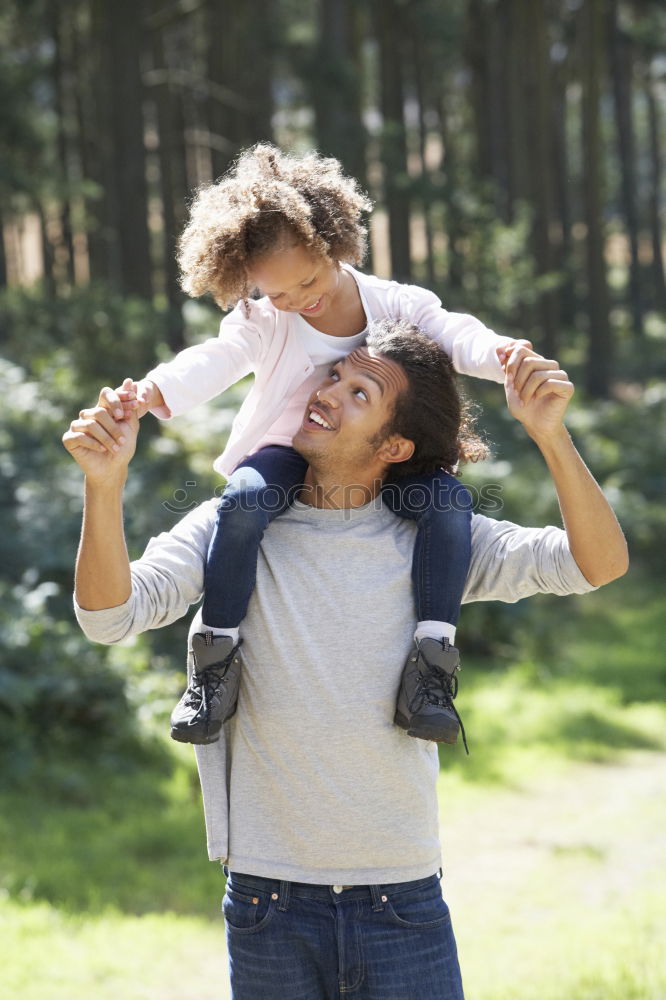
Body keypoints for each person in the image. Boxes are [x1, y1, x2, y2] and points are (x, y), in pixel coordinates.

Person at [63, 325, 628, 1000]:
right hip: (266, 902)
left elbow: (598, 563)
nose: (327, 392)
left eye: (359, 392)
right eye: (333, 377)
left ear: (393, 446)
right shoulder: (228, 527)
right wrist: (105, 483)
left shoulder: (434, 541)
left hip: (402, 900)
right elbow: (108, 617)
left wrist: (551, 436)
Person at [103, 143, 531, 748]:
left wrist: (503, 355)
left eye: (307, 281)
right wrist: (150, 391)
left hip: (379, 452)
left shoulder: (395, 304)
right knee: (243, 503)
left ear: (335, 244)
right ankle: (215, 662)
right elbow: (215, 360)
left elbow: (454, 334)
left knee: (449, 505)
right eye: (276, 293)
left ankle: (431, 665)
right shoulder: (264, 322)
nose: (297, 301)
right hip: (288, 451)